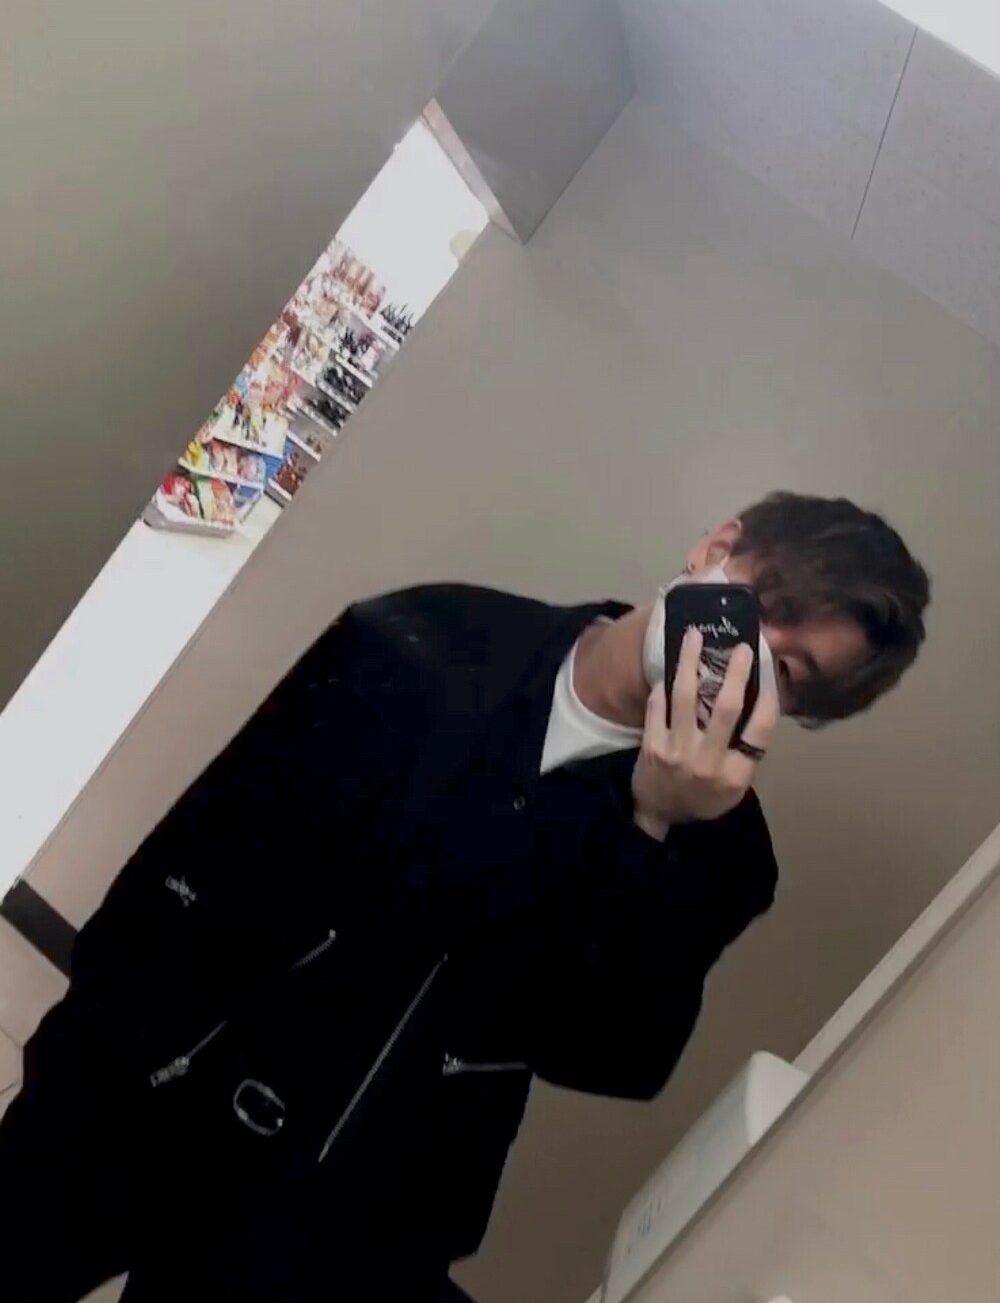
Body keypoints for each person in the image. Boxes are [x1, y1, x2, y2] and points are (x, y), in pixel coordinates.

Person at [1, 491, 929, 1303]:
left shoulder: (723, 856)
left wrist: (651, 828)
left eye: (790, 671)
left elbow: (612, 1056)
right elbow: (204, 834)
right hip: (135, 1094)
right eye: (762, 609)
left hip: (331, 1211)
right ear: (715, 552)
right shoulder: (431, 634)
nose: (747, 657)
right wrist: (93, 1029)